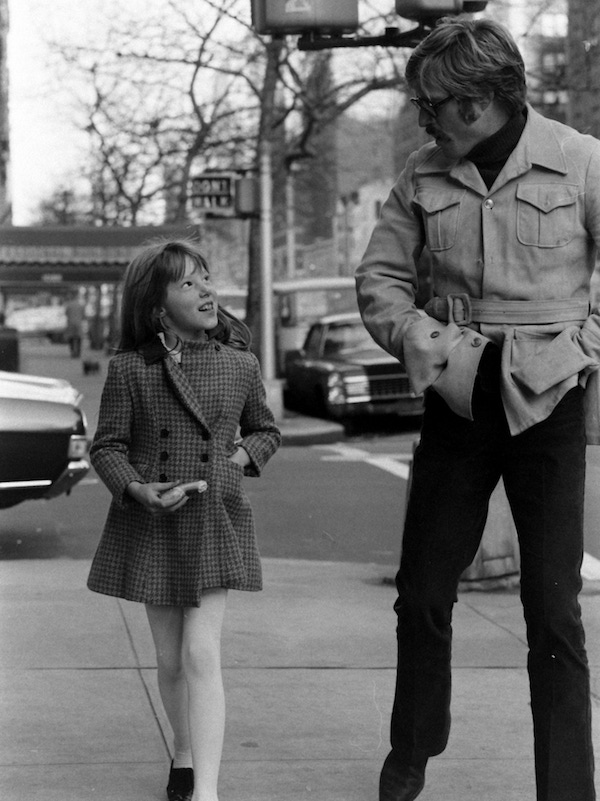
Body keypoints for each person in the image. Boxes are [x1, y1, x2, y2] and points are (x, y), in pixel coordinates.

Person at [355, 17, 600, 801]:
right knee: (424, 591)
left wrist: (584, 345)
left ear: (478, 100)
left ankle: (566, 789)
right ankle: (413, 749)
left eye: (434, 106)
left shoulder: (582, 162)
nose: (424, 122)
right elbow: (381, 280)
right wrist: (421, 340)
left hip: (551, 400)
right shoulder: (421, 177)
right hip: (459, 399)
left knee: (553, 609)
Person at [87, 239, 281, 801]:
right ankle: (184, 750)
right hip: (154, 521)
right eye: (188, 283)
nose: (206, 290)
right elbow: (108, 446)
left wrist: (237, 461)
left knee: (201, 652)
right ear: (156, 307)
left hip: (214, 516)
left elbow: (265, 430)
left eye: (206, 278)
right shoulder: (129, 369)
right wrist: (137, 488)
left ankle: (207, 791)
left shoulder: (240, 363)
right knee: (170, 659)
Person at [64, 291, 85, 358]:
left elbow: (66, 314)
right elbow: (83, 315)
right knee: (79, 338)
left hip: (70, 323)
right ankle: (78, 352)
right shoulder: (80, 305)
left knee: (71, 338)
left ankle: (72, 351)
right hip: (78, 323)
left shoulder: (69, 305)